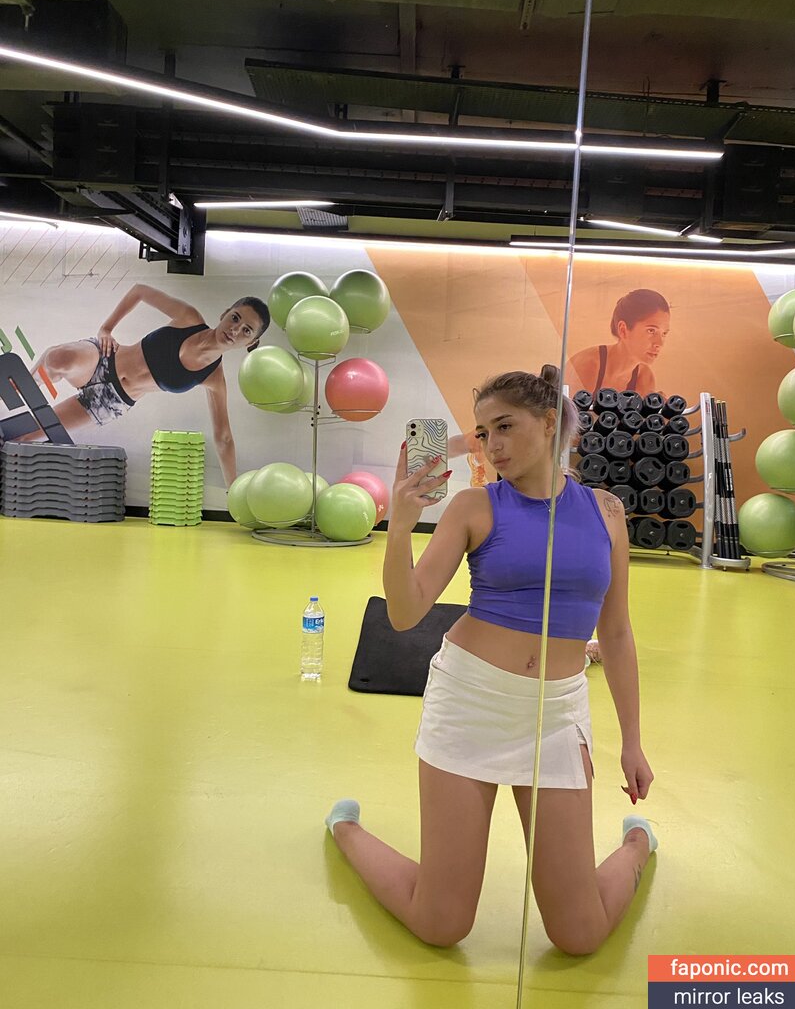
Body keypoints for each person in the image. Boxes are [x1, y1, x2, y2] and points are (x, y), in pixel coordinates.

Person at [325, 366, 656, 953]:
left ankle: (637, 845)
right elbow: (404, 613)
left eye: (504, 426)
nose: (492, 445)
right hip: (470, 703)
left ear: (549, 423)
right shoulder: (472, 507)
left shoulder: (605, 511)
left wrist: (632, 741)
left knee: (579, 934)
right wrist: (400, 526)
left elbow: (618, 632)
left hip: (556, 716)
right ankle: (346, 829)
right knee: (441, 924)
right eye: (482, 433)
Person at [23, 283, 270, 487]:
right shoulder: (189, 318)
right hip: (105, 358)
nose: (235, 330)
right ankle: (28, 382)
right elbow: (140, 291)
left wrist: (233, 490)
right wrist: (106, 329)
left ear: (251, 343)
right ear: (225, 313)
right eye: (235, 318)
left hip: (110, 402)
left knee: (28, 434)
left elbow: (224, 438)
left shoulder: (214, 378)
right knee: (58, 359)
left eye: (246, 331)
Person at [565, 288, 670, 398]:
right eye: (651, 331)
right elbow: (566, 408)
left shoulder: (645, 377)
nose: (659, 343)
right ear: (623, 329)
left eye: (664, 333)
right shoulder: (587, 364)